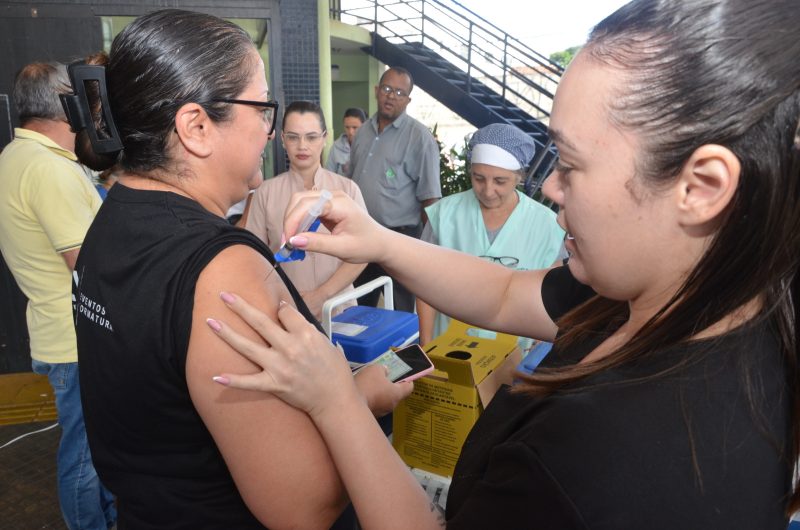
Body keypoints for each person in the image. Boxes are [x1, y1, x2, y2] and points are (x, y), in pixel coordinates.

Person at [206, 0, 800, 527]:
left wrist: (337, 400)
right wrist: (380, 241)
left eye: (569, 164)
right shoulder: (712, 302)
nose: (553, 190)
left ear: (701, 186)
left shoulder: (596, 457)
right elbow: (504, 294)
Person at [67, 10, 407, 529]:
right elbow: (305, 506)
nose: (272, 135)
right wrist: (360, 398)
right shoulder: (224, 269)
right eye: (262, 110)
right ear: (198, 127)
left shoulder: (109, 221)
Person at [0, 62, 116, 530]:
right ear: (67, 107)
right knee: (85, 457)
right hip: (76, 341)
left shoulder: (16, 157)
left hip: (57, 332)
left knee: (91, 449)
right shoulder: (49, 169)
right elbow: (89, 265)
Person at [417, 123, 565, 345]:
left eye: (500, 181)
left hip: (514, 354)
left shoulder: (547, 225)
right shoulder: (444, 215)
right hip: (448, 347)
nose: (487, 190)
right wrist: (426, 344)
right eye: (478, 178)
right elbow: (424, 283)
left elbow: (554, 298)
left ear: (519, 177)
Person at [246, 101, 367, 319]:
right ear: (283, 139)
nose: (302, 146)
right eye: (293, 137)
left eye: (311, 137)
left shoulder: (347, 190)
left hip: (341, 308)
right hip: (286, 310)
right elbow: (254, 259)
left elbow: (362, 253)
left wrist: (321, 295)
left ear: (325, 137)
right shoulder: (265, 193)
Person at [346, 66, 441, 312]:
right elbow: (352, 179)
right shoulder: (364, 131)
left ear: (408, 99)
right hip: (362, 234)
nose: (391, 96)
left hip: (401, 238)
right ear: (377, 91)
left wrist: (426, 252)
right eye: (387, 89)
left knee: (400, 310)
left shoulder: (420, 139)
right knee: (358, 306)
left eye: (400, 92)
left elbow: (430, 200)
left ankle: (404, 351)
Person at [325, 107, 366, 176]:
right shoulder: (336, 147)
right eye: (347, 127)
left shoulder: (372, 146)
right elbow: (328, 175)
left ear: (364, 126)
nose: (350, 132)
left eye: (355, 127)